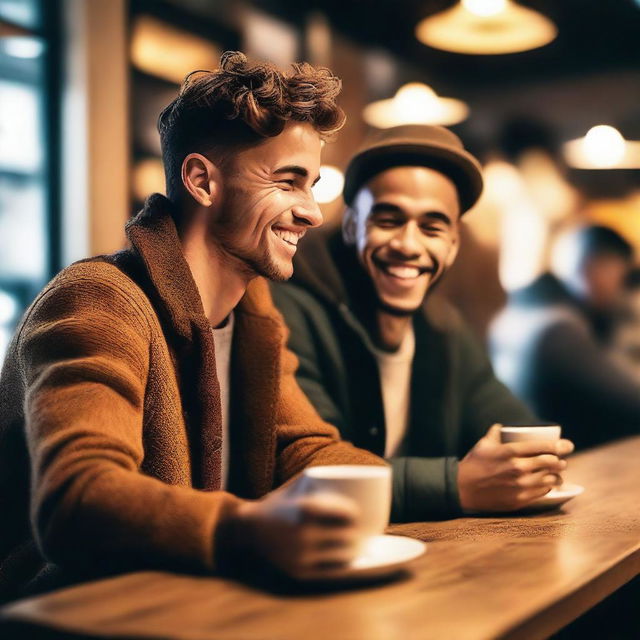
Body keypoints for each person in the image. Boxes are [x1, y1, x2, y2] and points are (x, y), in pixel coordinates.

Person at [0, 52, 385, 602]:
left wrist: (441, 487)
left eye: (313, 185)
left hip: (188, 606)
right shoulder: (97, 302)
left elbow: (306, 451)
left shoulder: (253, 314)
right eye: (288, 182)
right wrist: (249, 531)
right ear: (202, 180)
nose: (313, 212)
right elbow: (78, 499)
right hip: (59, 612)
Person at [272, 124, 574, 522]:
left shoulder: (444, 328)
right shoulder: (285, 309)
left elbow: (509, 423)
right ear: (350, 227)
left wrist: (533, 459)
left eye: (432, 227)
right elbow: (308, 472)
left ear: (452, 245)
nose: (409, 246)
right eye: (388, 220)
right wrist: (457, 484)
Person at [490, 224, 640, 449]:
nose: (621, 291)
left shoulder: (518, 312)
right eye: (622, 276)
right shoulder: (559, 330)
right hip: (565, 463)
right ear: (598, 268)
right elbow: (633, 400)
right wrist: (626, 324)